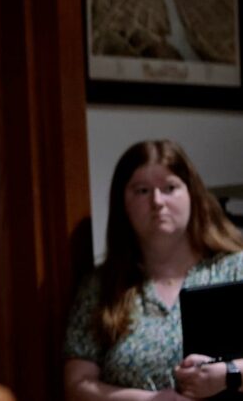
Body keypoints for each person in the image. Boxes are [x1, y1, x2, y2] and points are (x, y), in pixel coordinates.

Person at [64, 139, 243, 400]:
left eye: (170, 188)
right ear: (123, 203)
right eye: (142, 191)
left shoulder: (235, 268)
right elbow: (77, 384)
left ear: (192, 194)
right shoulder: (102, 286)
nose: (158, 201)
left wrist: (230, 374)